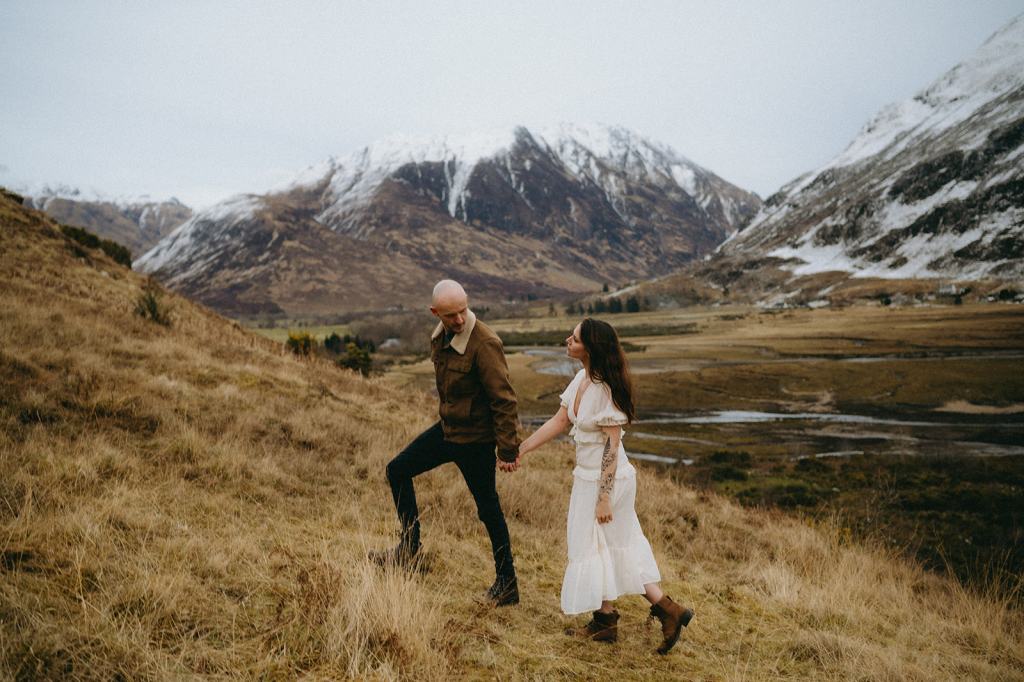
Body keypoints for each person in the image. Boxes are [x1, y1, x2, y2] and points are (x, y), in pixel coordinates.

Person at [514, 318, 694, 654]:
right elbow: (559, 420)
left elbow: (612, 447)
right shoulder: (582, 378)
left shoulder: (606, 389)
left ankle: (645, 614)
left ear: (591, 347)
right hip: (589, 477)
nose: (568, 340)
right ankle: (621, 618)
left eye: (576, 338)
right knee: (605, 547)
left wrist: (604, 498)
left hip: (607, 481)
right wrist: (521, 449)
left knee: (601, 546)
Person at [370, 280, 522, 606]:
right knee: (397, 470)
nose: (458, 320)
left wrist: (507, 449)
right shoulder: (439, 336)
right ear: (435, 312)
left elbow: (504, 400)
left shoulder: (485, 343)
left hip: (477, 441)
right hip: (447, 431)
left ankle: (507, 583)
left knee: (488, 509)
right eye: (450, 314)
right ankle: (409, 549)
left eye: (462, 311)